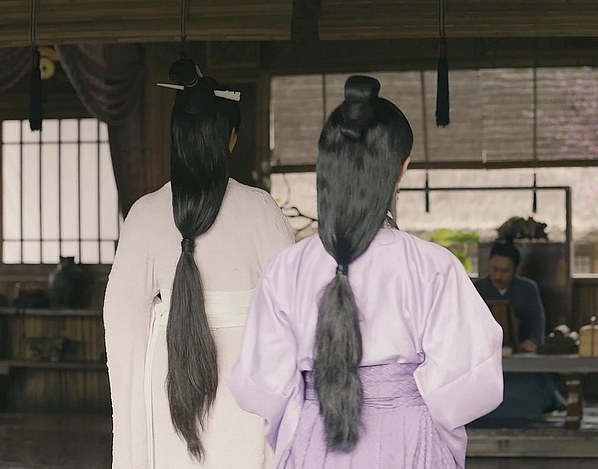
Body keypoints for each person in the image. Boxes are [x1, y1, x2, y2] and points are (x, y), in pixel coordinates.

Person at [227, 75, 503, 469]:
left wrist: (306, 416)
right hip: (409, 439)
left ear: (327, 167)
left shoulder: (287, 268)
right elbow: (469, 380)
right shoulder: (433, 266)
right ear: (402, 168)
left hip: (316, 437)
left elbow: (263, 384)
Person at [103, 61, 295, 468]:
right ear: (231, 138)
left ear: (177, 136)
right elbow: (293, 308)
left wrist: (134, 416)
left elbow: (121, 319)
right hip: (247, 377)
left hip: (170, 376)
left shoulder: (145, 213)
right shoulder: (260, 208)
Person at [474, 240, 566, 419]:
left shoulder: (527, 289)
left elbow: (537, 323)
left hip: (520, 354)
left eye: (505, 271)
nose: (498, 275)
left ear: (516, 270)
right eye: (494, 269)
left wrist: (532, 341)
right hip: (486, 356)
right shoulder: (478, 288)